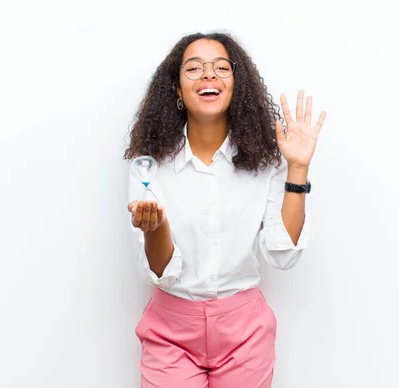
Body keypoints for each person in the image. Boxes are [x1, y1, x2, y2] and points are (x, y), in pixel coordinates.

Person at [124, 32, 326, 388]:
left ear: (236, 85)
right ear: (176, 89)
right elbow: (160, 272)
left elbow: (283, 254)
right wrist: (155, 227)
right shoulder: (149, 165)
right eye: (194, 68)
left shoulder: (266, 161)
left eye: (221, 67)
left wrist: (297, 168)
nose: (208, 75)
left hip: (245, 329)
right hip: (170, 329)